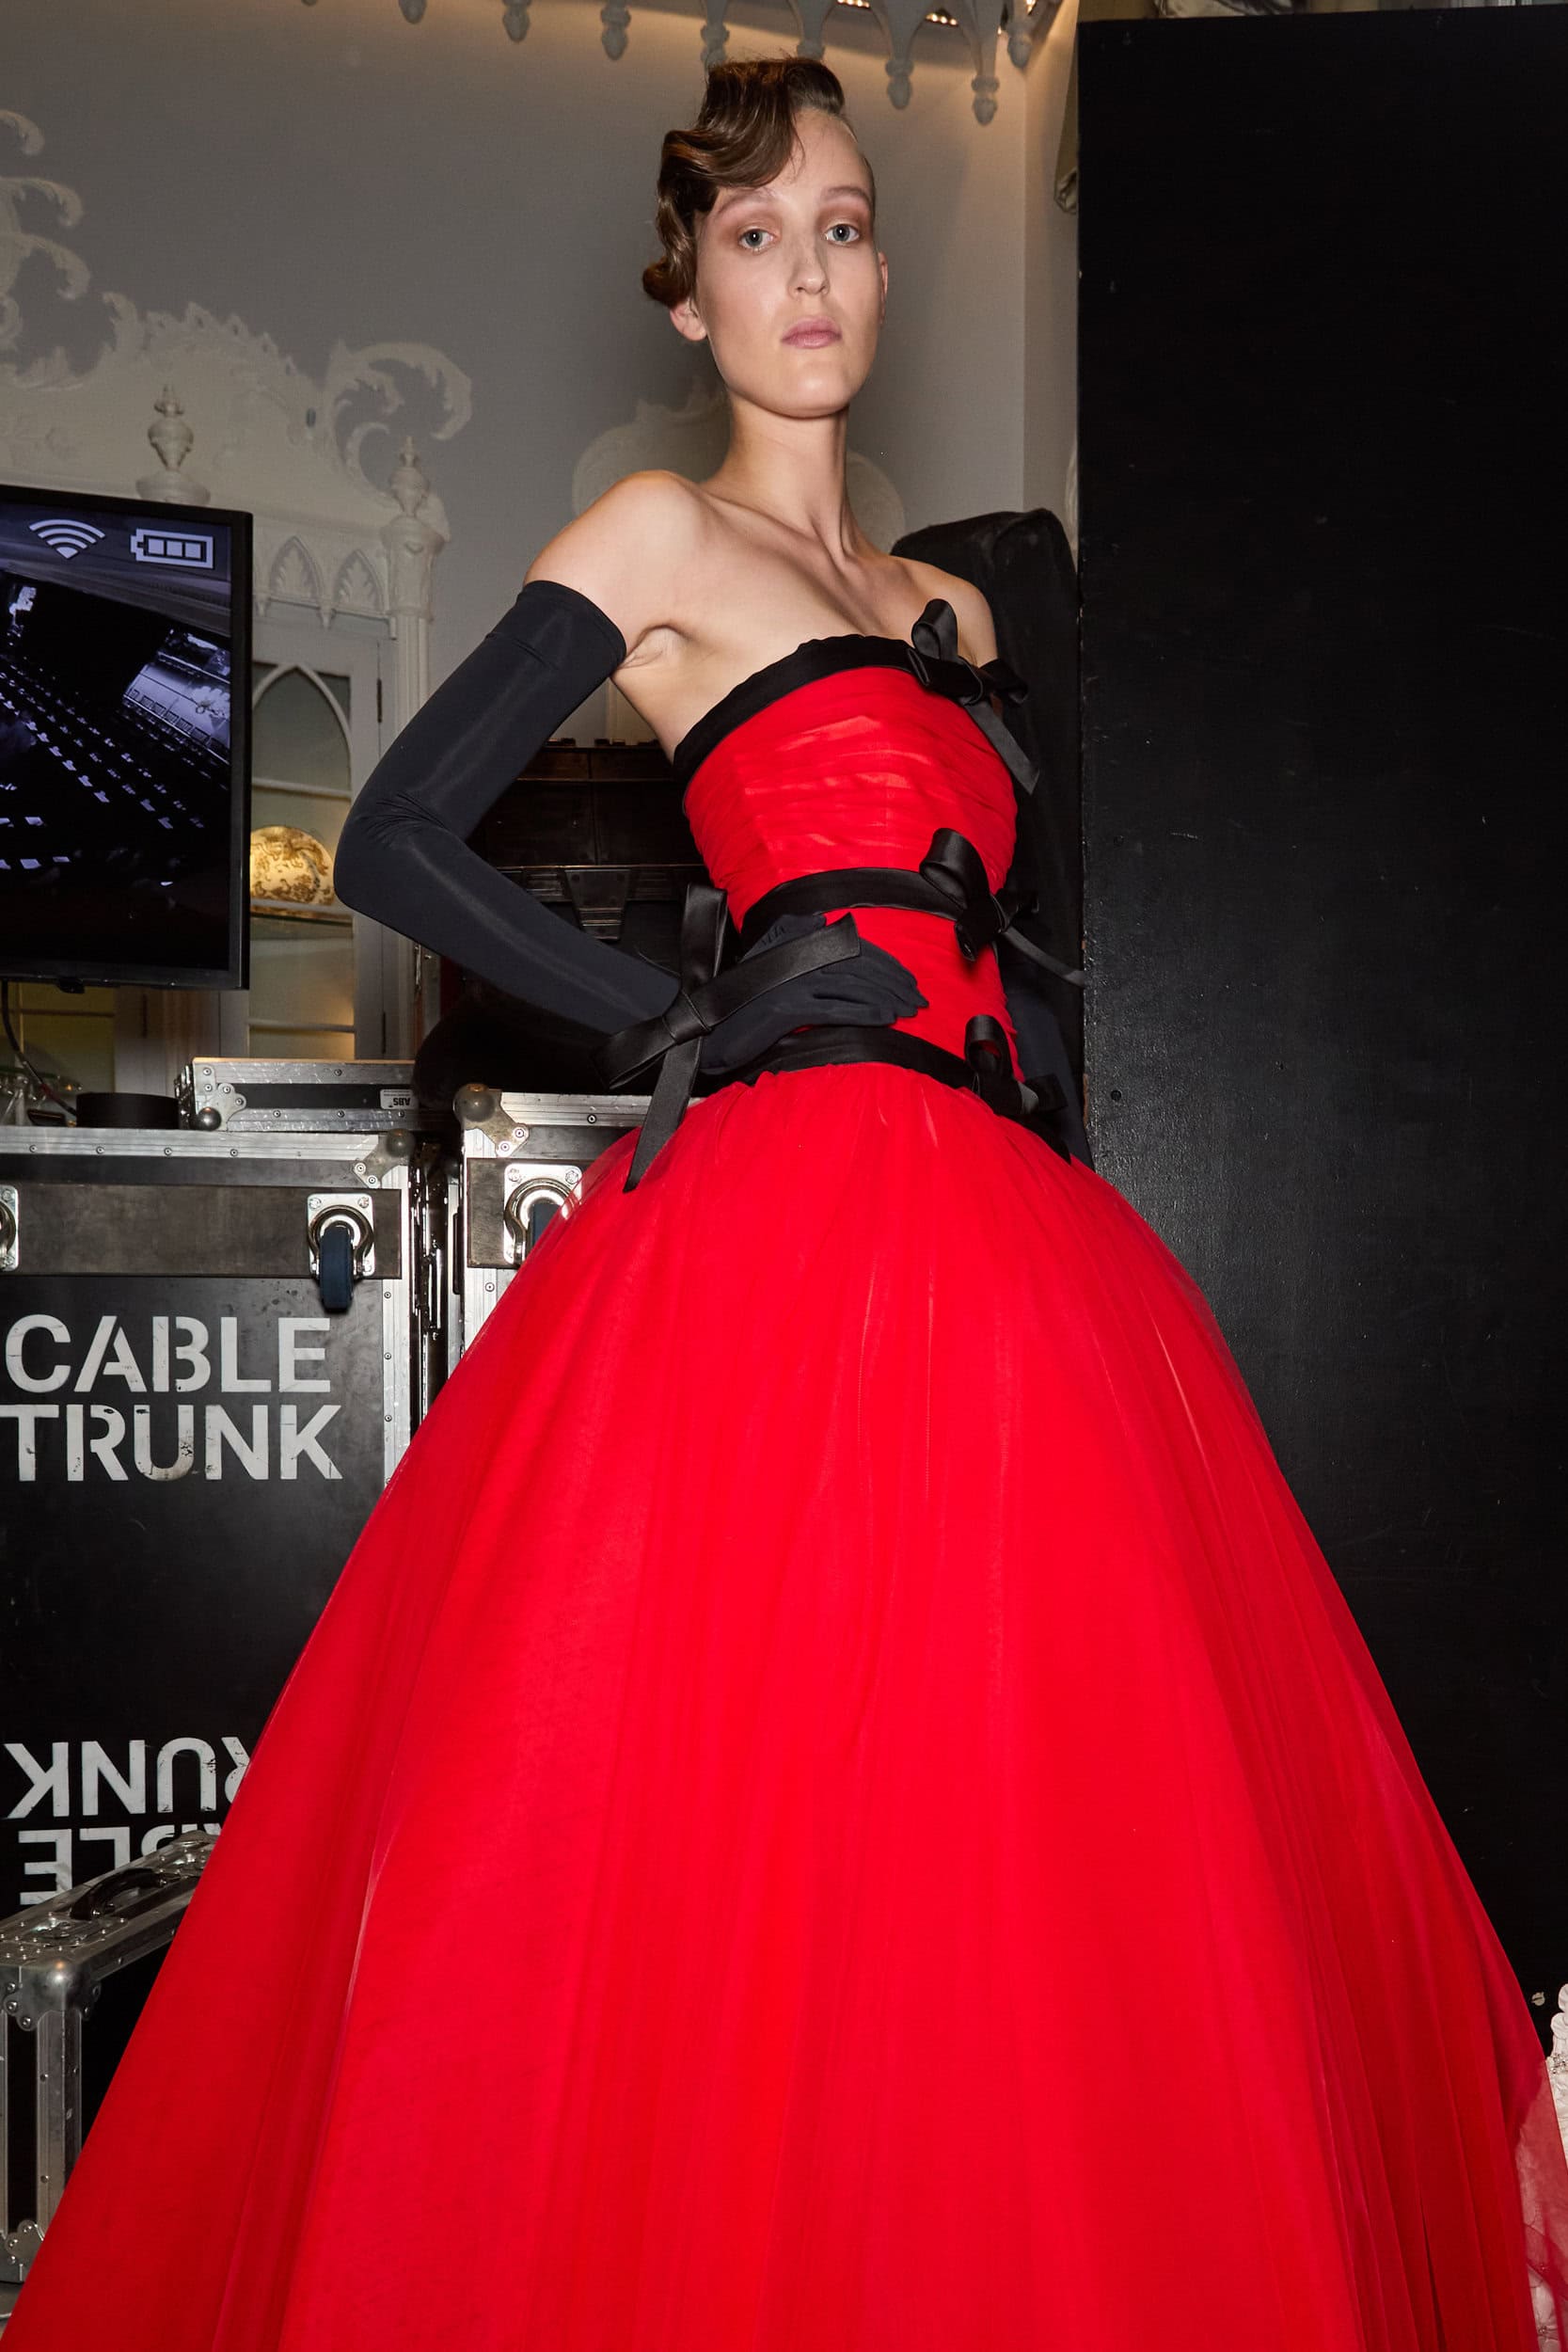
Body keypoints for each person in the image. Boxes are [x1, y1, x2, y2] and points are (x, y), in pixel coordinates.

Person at [8, 55, 1567, 2352]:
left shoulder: (953, 610)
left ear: (882, 266)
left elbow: (1016, 937)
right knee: (747, 1830)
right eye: (756, 237)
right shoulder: (657, 539)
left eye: (841, 225)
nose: (807, 273)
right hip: (782, 1228)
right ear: (692, 294)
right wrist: (672, 1011)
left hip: (1016, 1244)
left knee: (1025, 1844)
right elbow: (397, 831)